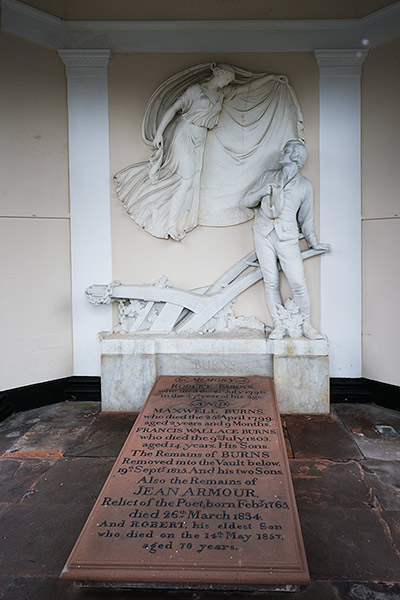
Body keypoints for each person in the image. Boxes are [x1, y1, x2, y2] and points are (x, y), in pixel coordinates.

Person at [114, 64, 235, 241]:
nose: (227, 83)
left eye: (229, 81)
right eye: (226, 79)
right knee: (186, 181)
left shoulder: (219, 95)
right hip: (184, 134)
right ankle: (171, 225)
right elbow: (173, 109)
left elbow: (247, 88)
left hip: (200, 139)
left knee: (192, 182)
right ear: (218, 74)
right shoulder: (196, 90)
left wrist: (270, 80)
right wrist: (159, 133)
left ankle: (175, 219)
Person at [242, 140, 331, 340]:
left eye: (288, 150)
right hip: (263, 233)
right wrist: (261, 192)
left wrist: (313, 242)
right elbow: (246, 201)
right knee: (270, 281)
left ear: (296, 157)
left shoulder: (305, 186)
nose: (283, 152)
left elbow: (306, 219)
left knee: (298, 282)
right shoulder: (267, 177)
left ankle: (306, 324)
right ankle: (279, 324)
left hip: (287, 237)